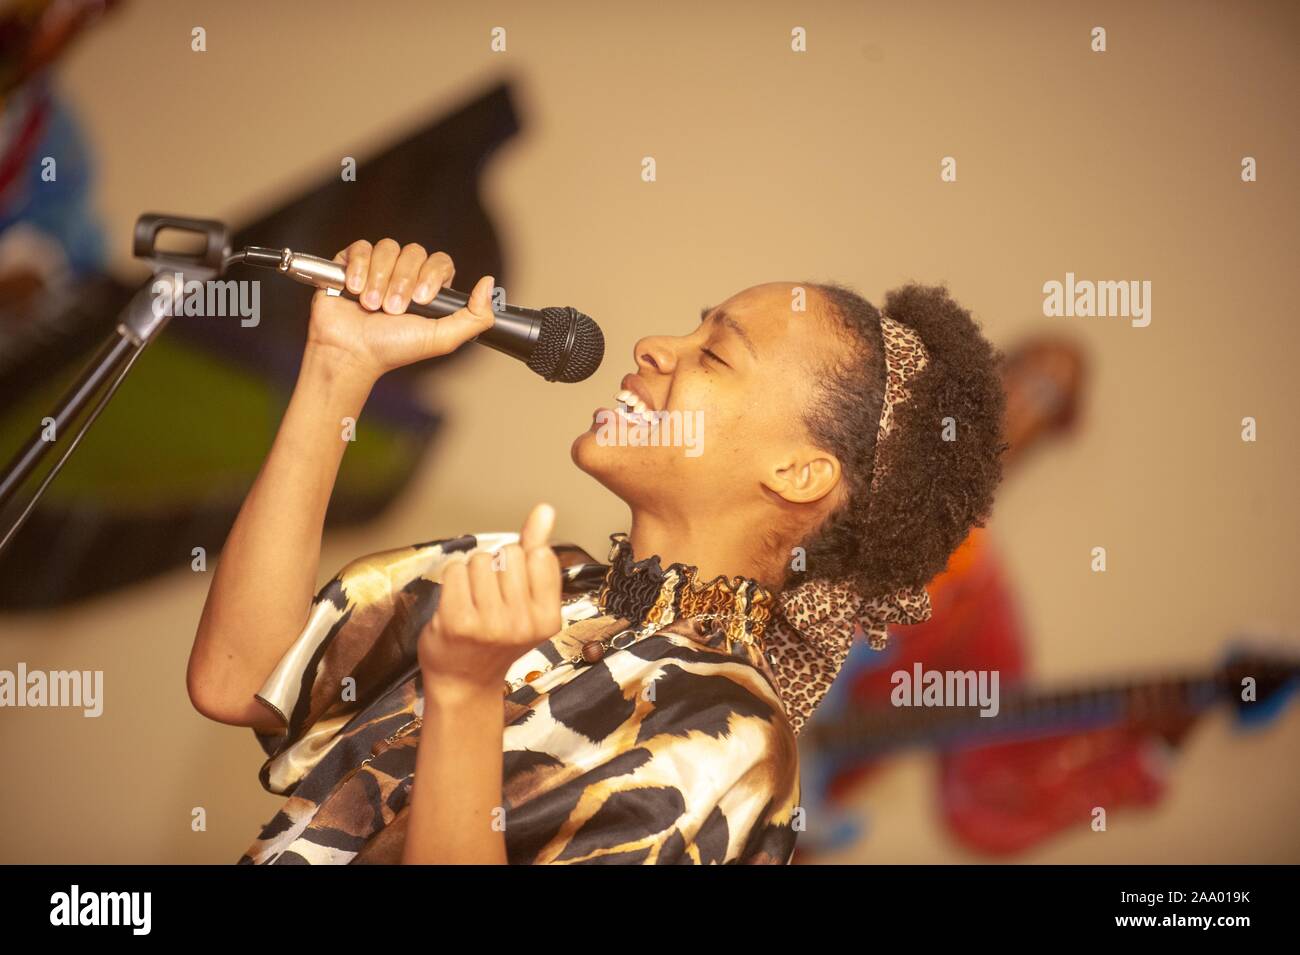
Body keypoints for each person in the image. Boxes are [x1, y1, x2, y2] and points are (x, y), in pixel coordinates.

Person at [186, 238, 1007, 864]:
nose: (654, 345)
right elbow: (237, 675)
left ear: (799, 473)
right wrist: (339, 368)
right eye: (691, 327)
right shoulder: (539, 578)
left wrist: (468, 695)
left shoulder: (733, 734)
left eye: (715, 353)